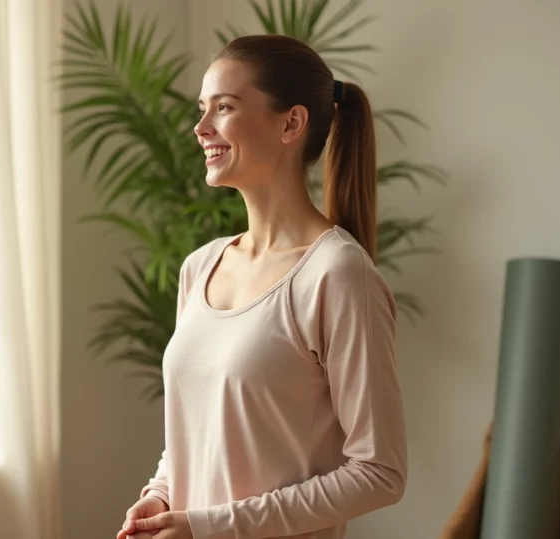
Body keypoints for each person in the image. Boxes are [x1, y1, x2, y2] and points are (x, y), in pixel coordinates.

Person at [116, 34, 408, 539]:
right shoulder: (200, 266)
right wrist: (160, 495)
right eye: (201, 109)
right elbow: (199, 432)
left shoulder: (337, 274)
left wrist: (209, 526)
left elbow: (380, 472)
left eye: (223, 107)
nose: (200, 128)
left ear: (292, 122)